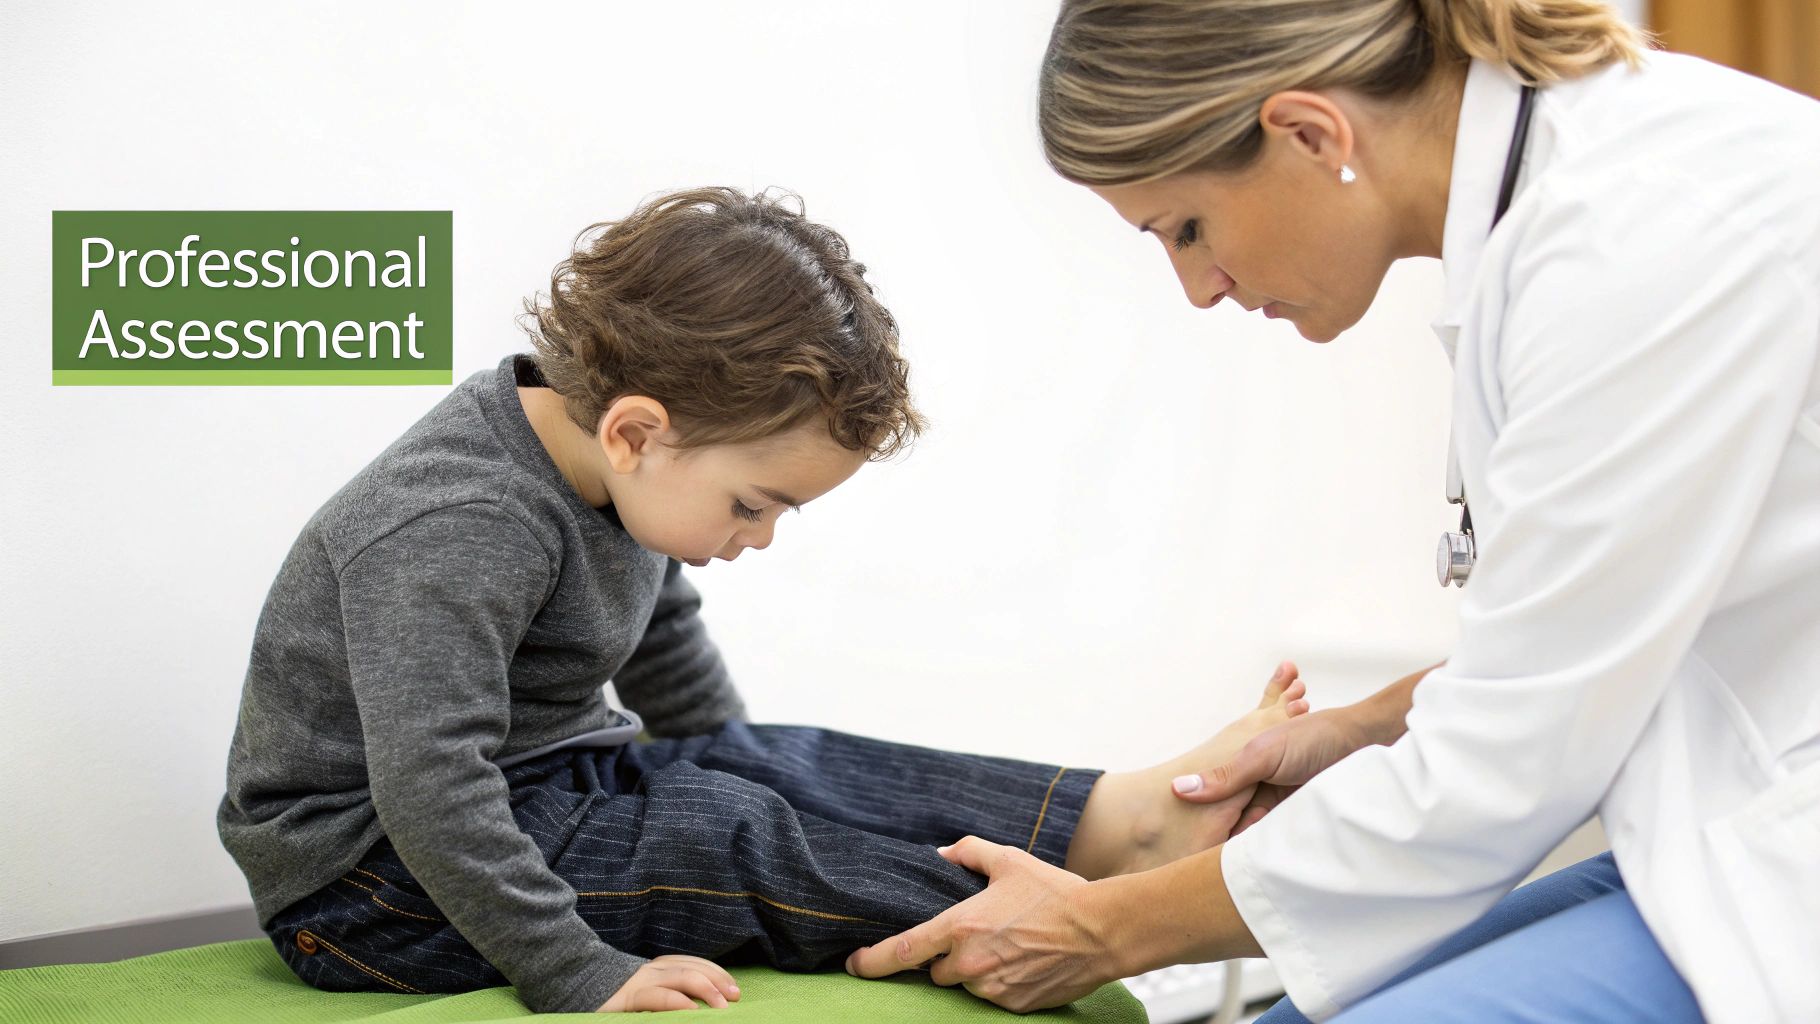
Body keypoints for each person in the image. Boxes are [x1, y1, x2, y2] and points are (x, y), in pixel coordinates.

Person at [847, 2, 1820, 1021]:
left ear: (1309, 134)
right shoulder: (1569, 209)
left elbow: (1507, 762)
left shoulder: (1641, 239)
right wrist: (1357, 728)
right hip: (1735, 813)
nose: (1195, 286)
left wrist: (1098, 926)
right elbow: (1592, 641)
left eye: (1185, 227)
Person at [216, 186, 1311, 1014]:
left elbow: (663, 632)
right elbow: (431, 785)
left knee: (776, 762)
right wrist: (574, 971)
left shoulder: (602, 467)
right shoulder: (457, 519)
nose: (761, 535)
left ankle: (1127, 815)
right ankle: (1039, 914)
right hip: (371, 889)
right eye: (752, 503)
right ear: (637, 432)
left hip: (532, 789)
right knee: (723, 829)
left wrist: (742, 756)